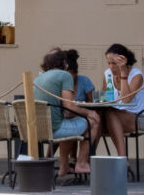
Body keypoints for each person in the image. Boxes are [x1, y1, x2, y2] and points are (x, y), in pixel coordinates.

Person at [34, 49, 97, 178]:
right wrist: (88, 112)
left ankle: (64, 167)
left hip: (39, 129)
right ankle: (82, 163)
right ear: (64, 63)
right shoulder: (64, 75)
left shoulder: (39, 78)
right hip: (55, 129)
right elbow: (69, 107)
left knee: (69, 124)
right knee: (95, 120)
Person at [101, 43, 144, 157]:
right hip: (116, 115)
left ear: (124, 61)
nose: (111, 67)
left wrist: (123, 74)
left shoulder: (136, 75)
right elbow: (105, 99)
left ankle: (122, 158)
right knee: (95, 119)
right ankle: (86, 161)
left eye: (114, 63)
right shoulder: (108, 74)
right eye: (109, 63)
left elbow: (126, 99)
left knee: (110, 114)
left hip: (138, 117)